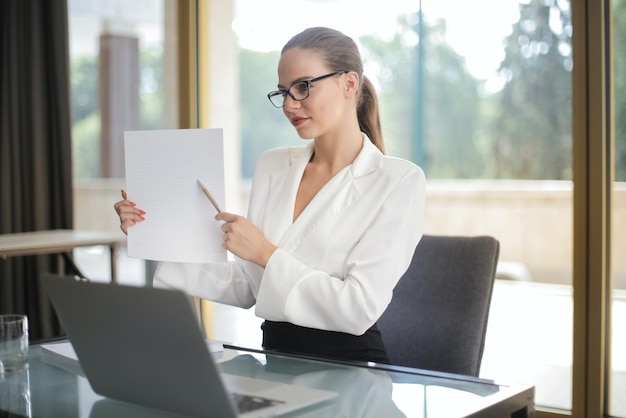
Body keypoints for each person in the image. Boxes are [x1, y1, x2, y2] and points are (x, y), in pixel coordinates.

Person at [114, 27, 426, 364]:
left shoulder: (398, 181)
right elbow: (250, 285)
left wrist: (264, 252)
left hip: (350, 369)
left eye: (304, 87)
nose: (290, 104)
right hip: (275, 360)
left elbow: (358, 308)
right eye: (283, 92)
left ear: (349, 84)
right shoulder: (273, 166)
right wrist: (153, 237)